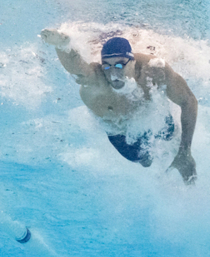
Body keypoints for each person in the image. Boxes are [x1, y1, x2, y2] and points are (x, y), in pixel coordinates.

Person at [40, 29, 198, 184]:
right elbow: (77, 68)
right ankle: (162, 178)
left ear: (133, 61)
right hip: (119, 132)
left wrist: (185, 152)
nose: (114, 73)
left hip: (150, 113)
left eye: (120, 65)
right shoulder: (96, 79)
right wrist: (62, 44)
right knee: (145, 161)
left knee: (171, 136)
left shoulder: (153, 70)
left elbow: (189, 101)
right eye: (107, 67)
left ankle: (181, 160)